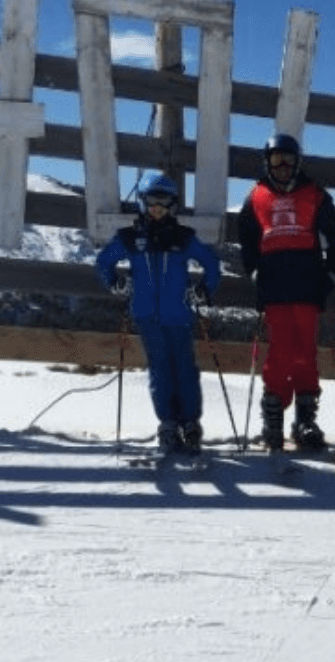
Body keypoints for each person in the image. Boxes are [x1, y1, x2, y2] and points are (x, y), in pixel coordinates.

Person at [95, 173, 221, 457]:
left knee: (185, 370)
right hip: (146, 315)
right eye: (152, 201)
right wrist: (116, 282)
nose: (158, 208)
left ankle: (190, 423)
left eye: (164, 202)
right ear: (143, 202)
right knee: (160, 370)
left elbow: (211, 262)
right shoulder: (131, 238)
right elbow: (104, 261)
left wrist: (204, 289)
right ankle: (167, 423)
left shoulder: (183, 237)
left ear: (173, 205)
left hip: (179, 315)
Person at [237, 133, 335, 452]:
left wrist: (331, 274)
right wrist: (253, 270)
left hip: (308, 288)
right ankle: (273, 420)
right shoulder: (256, 196)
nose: (282, 166)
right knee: (279, 355)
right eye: (276, 160)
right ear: (267, 163)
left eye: (288, 160)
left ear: (298, 163)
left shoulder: (314, 195)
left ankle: (304, 421)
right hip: (274, 290)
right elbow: (246, 237)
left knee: (306, 355)